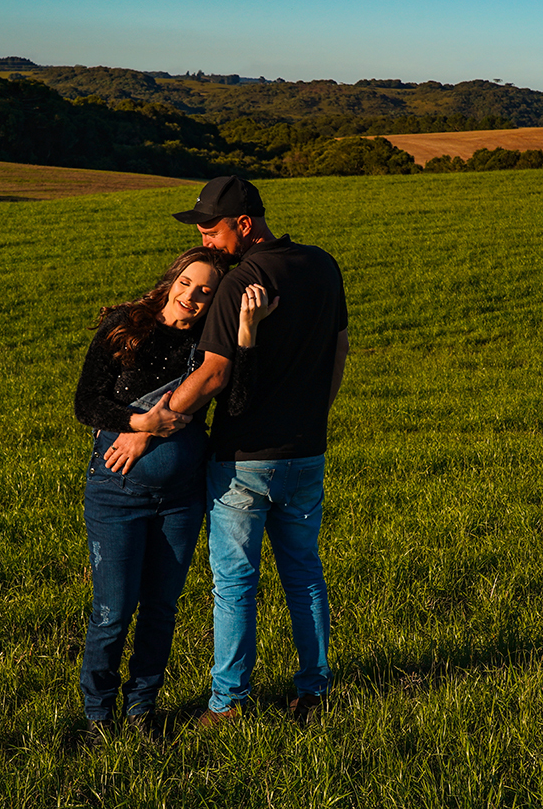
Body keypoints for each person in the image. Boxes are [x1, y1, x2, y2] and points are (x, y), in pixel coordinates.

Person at [73, 244, 275, 742]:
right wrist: (140, 423)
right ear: (171, 280)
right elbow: (86, 404)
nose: (192, 296)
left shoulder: (208, 345)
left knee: (161, 610)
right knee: (113, 612)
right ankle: (98, 717)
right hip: (117, 494)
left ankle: (142, 712)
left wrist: (246, 333)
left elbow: (239, 404)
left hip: (182, 499)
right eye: (187, 283)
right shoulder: (125, 327)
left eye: (206, 291)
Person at [167, 175, 350, 726]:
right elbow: (340, 350)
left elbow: (214, 374)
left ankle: (229, 703)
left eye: (212, 231)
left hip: (242, 459)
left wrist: (155, 420)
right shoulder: (323, 265)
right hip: (307, 453)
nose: (205, 242)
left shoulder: (239, 282)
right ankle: (314, 691)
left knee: (235, 586)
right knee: (304, 575)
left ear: (244, 225)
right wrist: (315, 416)